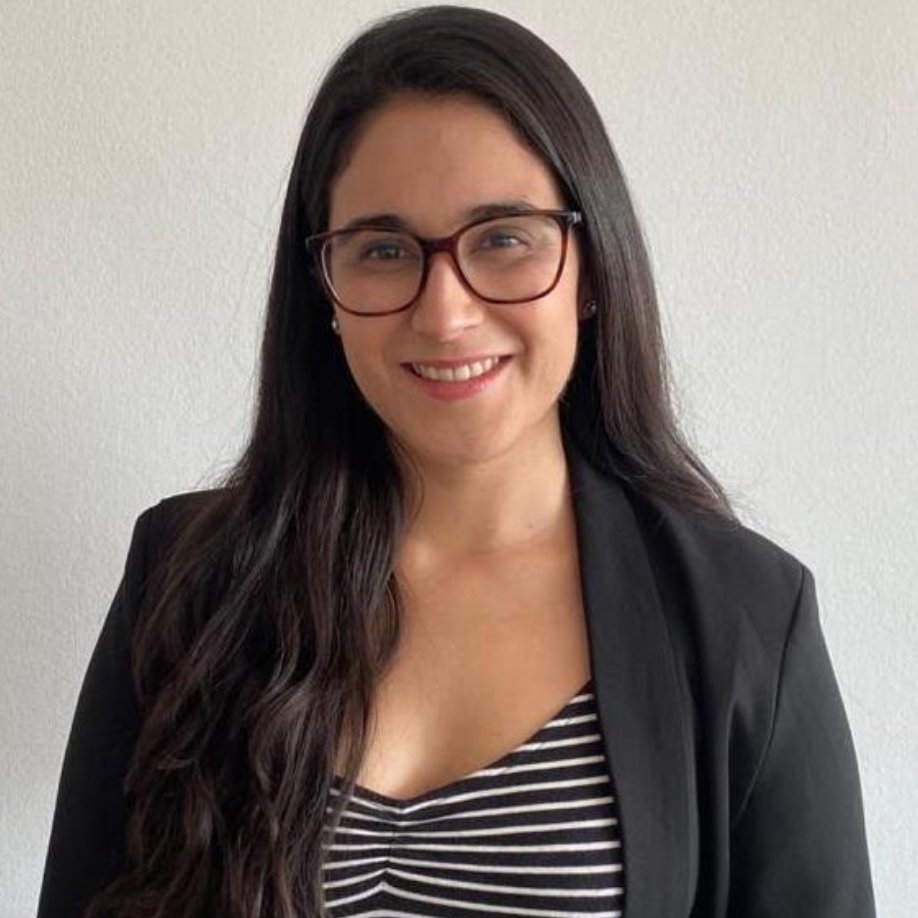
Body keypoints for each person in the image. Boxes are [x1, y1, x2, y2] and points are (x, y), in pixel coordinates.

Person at [37, 6, 876, 918]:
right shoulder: (186, 579)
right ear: (324, 288)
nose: (444, 313)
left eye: (504, 237)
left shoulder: (746, 619)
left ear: (592, 268)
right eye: (384, 249)